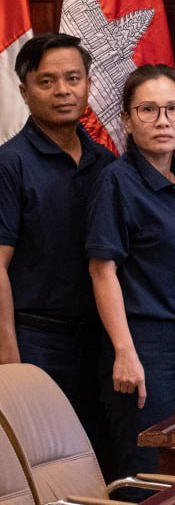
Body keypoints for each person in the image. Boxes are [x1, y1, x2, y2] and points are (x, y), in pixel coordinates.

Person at [86, 65, 175, 479]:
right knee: (148, 475)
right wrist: (124, 351)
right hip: (143, 344)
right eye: (148, 110)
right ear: (125, 119)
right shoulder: (116, 182)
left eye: (173, 109)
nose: (162, 121)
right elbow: (102, 270)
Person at [0, 33, 113, 459]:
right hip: (36, 339)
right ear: (24, 92)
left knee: (101, 457)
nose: (62, 90)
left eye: (73, 78)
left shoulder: (106, 163)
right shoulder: (9, 163)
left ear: (88, 84)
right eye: (47, 81)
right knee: (44, 460)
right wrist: (9, 359)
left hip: (98, 341)